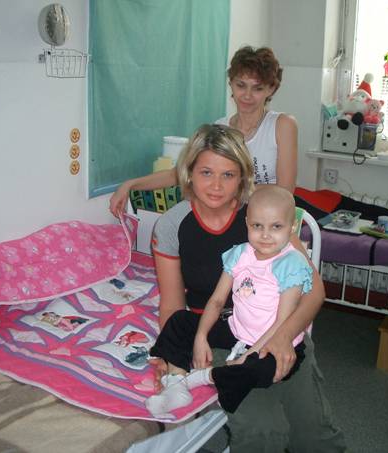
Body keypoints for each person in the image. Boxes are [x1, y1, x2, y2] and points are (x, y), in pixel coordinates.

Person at [149, 123, 345, 452]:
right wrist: (174, 356)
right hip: (220, 336)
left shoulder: (262, 217)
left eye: (228, 174)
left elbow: (314, 291)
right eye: (206, 172)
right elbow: (171, 305)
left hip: (281, 327)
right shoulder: (172, 224)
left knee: (314, 436)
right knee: (263, 432)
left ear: (242, 177)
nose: (216, 185)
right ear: (189, 172)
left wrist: (284, 336)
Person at [145, 186, 313, 417]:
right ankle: (176, 381)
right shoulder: (240, 254)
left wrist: (248, 356)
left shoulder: (292, 264)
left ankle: (202, 377)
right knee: (179, 321)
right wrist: (201, 336)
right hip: (237, 329)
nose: (265, 235)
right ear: (247, 224)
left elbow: (282, 322)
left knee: (259, 370)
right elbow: (216, 301)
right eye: (257, 226)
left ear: (292, 227)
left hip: (274, 341)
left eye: (276, 226)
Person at [108, 46, 298, 217]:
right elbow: (180, 173)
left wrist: (228, 189)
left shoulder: (282, 125)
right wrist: (130, 185)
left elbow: (284, 190)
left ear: (271, 89)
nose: (247, 95)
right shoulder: (220, 128)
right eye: (241, 85)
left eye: (257, 88)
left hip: (269, 218)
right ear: (231, 84)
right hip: (228, 214)